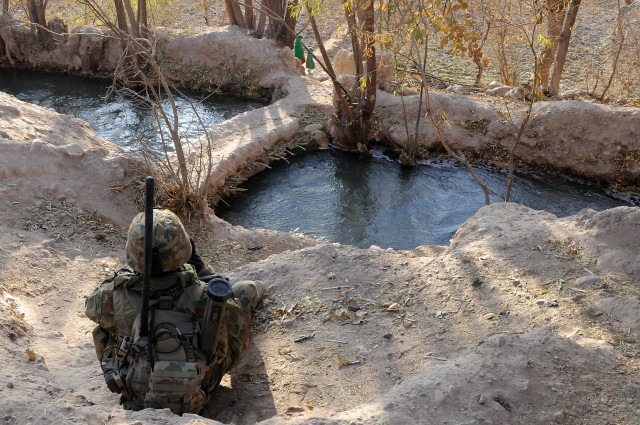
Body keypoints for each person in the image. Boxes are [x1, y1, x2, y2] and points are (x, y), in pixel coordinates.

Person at [85, 209, 265, 414]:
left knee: (104, 329)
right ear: (184, 249)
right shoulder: (204, 294)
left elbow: (90, 308)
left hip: (137, 394)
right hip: (198, 389)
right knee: (244, 290)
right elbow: (224, 332)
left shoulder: (110, 296)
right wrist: (202, 271)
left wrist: (123, 280)